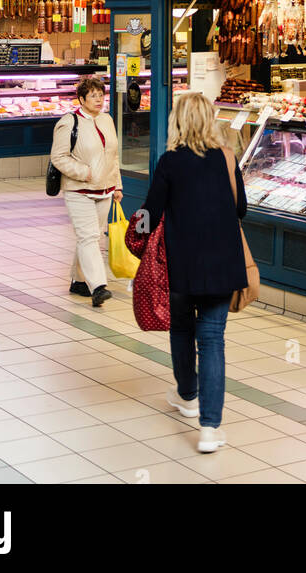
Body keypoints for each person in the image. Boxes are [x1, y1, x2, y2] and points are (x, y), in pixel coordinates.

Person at [141, 92, 247, 454]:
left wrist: (134, 235)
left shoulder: (170, 162)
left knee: (182, 328)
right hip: (222, 263)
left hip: (180, 263)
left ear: (178, 121)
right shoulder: (227, 158)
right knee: (213, 339)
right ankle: (210, 428)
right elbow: (241, 209)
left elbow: (149, 213)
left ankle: (187, 395)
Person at [51, 74, 123, 309]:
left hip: (105, 189)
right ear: (81, 99)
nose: (99, 100)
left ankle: (79, 280)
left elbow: (112, 156)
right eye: (93, 96)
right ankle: (98, 287)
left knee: (89, 236)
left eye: (101, 95)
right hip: (78, 188)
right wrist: (84, 172)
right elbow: (58, 157)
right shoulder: (68, 123)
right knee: (89, 237)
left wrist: (117, 184)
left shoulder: (107, 120)